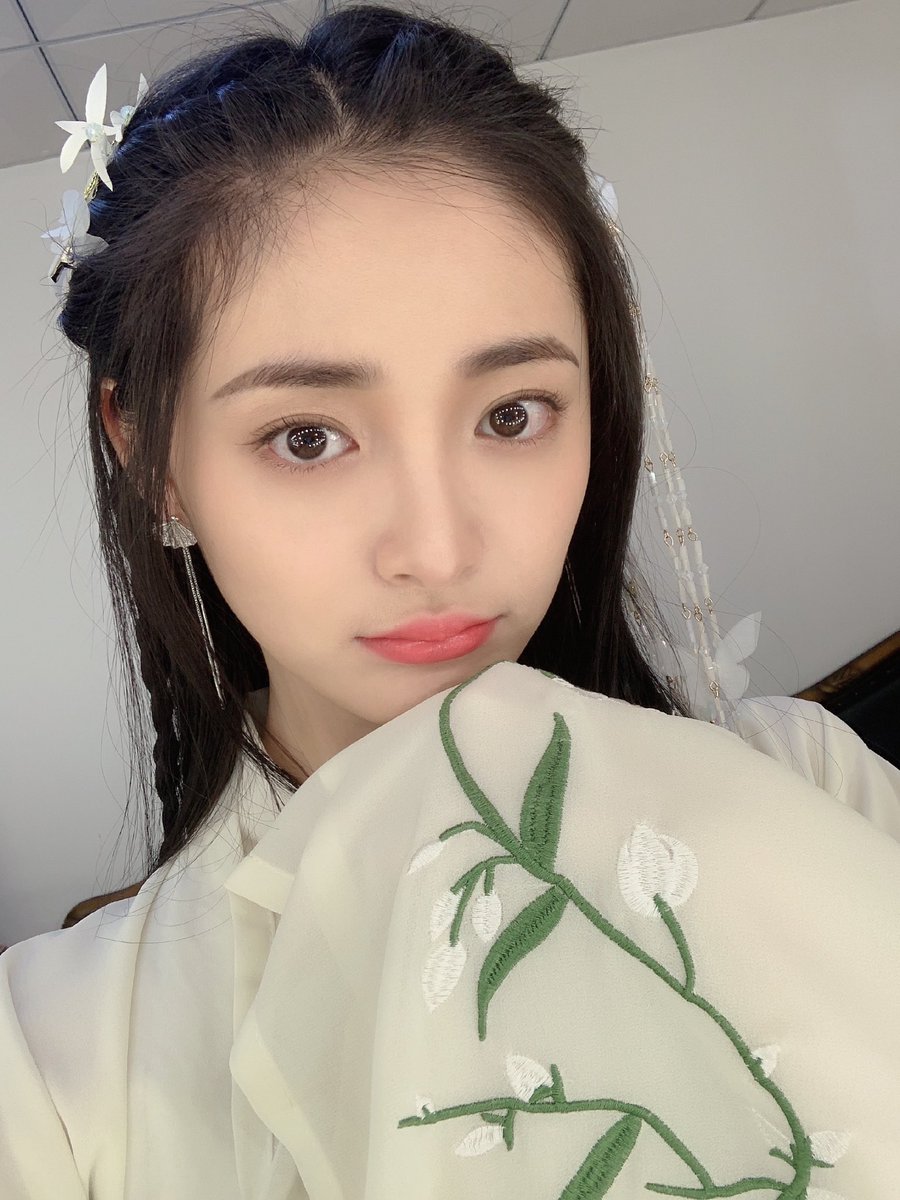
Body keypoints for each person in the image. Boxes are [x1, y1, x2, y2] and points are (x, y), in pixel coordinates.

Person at [3, 5, 899, 1197]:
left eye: (512, 415)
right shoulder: (52, 1067)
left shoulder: (812, 787)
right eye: (307, 437)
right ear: (152, 454)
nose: (437, 549)